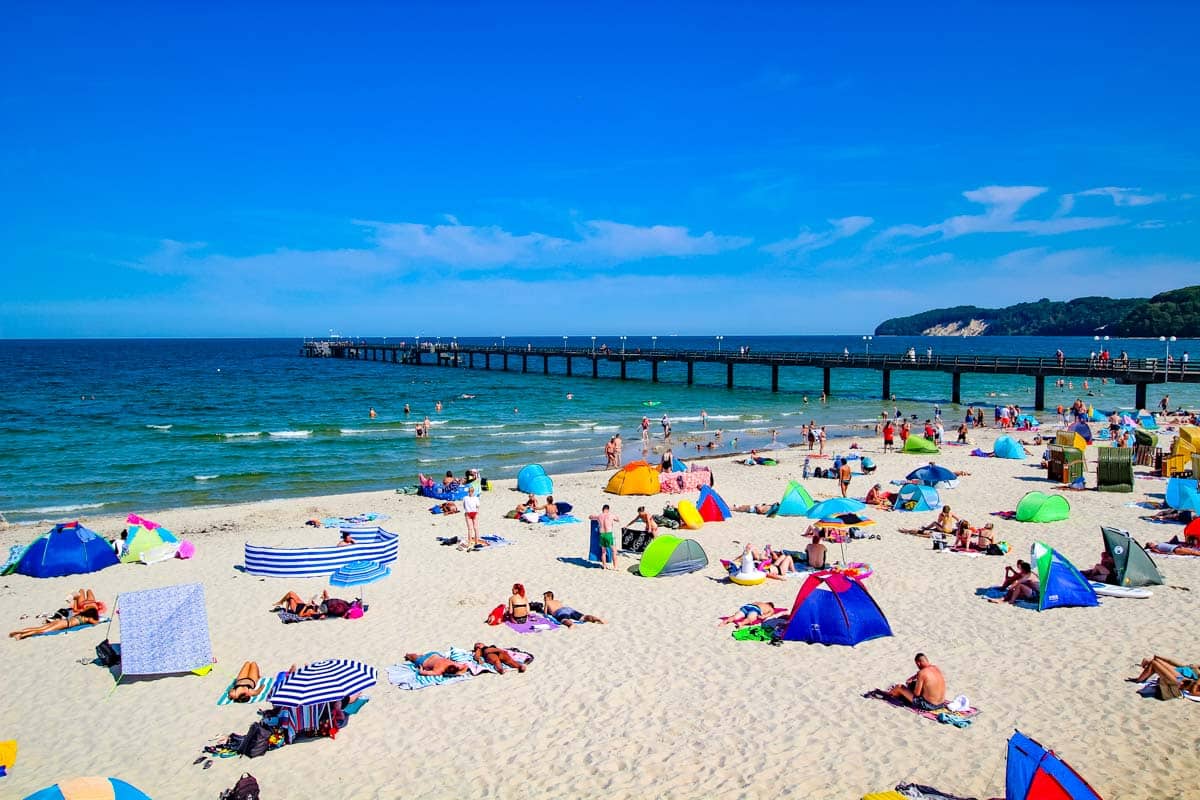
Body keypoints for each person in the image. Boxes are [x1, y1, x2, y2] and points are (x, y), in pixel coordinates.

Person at [1129, 655, 1200, 699]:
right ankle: (1140, 679)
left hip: (1178, 683)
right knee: (1156, 661)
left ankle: (1139, 680)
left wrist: (1197, 683)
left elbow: (1192, 693)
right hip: (1182, 679)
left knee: (1154, 664)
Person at [9, 606, 100, 639]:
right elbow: (95, 623)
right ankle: (22, 635)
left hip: (61, 621)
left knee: (39, 628)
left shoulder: (81, 614)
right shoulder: (88, 619)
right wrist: (97, 617)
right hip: (64, 624)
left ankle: (20, 631)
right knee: (42, 631)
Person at [590, 504, 619, 570]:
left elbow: (590, 517)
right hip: (609, 534)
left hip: (602, 535)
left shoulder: (599, 516)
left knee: (603, 551)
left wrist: (592, 516)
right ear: (608, 509)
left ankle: (604, 566)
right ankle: (615, 567)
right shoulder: (611, 515)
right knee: (614, 551)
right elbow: (617, 519)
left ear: (602, 509)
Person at [718, 601, 784, 629]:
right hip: (755, 609)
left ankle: (725, 621)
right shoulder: (771, 608)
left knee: (735, 617)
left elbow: (753, 603)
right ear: (772, 606)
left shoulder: (760, 602)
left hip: (748, 606)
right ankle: (741, 623)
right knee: (751, 619)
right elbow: (769, 614)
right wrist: (763, 616)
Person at [461, 485, 481, 550]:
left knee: (470, 529)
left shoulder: (465, 498)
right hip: (474, 513)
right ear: (473, 491)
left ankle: (470, 542)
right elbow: (478, 506)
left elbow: (464, 506)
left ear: (468, 491)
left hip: (468, 513)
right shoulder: (476, 498)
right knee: (475, 528)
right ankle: (476, 542)